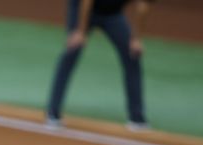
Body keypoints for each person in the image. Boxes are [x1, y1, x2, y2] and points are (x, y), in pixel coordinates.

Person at [46, 0, 153, 130]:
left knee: (132, 56)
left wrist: (136, 39)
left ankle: (137, 118)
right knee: (72, 51)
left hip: (112, 14)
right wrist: (80, 31)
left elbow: (143, 6)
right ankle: (53, 112)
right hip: (83, 8)